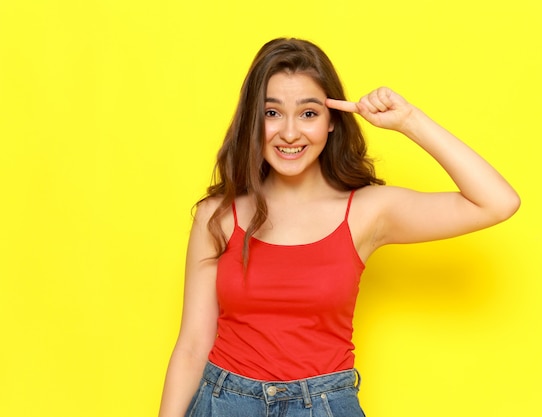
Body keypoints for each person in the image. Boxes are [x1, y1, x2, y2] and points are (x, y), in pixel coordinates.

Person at [158, 38, 520, 417]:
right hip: (224, 403)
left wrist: (408, 121)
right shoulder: (218, 214)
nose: (290, 133)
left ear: (332, 121)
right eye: (272, 113)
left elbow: (497, 202)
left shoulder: (367, 211)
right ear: (253, 119)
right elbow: (193, 345)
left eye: (309, 113)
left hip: (324, 406)